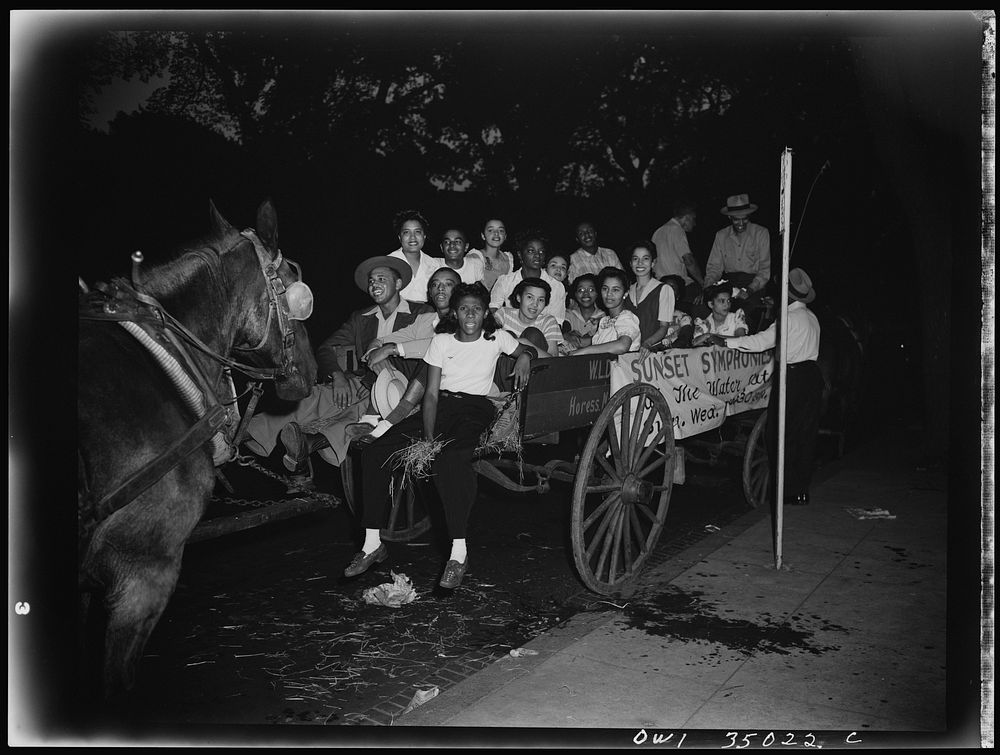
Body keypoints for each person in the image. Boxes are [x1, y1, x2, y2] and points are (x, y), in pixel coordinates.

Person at [344, 282, 537, 589]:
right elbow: (431, 395)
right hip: (442, 405)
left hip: (476, 408)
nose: (470, 315)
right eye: (464, 309)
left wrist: (524, 355)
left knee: (452, 460)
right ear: (456, 314)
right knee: (374, 451)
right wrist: (429, 437)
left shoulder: (496, 337)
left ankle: (458, 554)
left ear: (486, 312)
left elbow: (524, 347)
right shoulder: (442, 342)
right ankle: (371, 544)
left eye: (476, 308)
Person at [243, 256, 431, 473]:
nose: (374, 284)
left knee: (356, 415)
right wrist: (337, 376)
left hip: (398, 390)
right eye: (371, 281)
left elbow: (431, 353)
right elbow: (326, 348)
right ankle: (242, 432)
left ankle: (307, 443)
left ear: (398, 284)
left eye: (381, 278)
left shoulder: (421, 313)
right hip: (360, 380)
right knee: (313, 398)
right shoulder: (361, 318)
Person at [707, 268, 822, 506]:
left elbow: (760, 342)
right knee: (804, 435)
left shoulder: (789, 318)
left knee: (779, 433)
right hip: (812, 376)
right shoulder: (812, 317)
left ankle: (783, 489)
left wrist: (725, 341)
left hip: (792, 377)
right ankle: (800, 490)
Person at [704, 193, 771, 327]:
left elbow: (764, 270)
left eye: (744, 219)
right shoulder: (721, 235)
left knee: (744, 315)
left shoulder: (761, 233)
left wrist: (750, 290)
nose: (741, 223)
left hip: (753, 285)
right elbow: (714, 268)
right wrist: (708, 289)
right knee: (706, 310)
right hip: (729, 283)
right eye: (736, 219)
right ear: (729, 217)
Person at [558, 267, 639, 357]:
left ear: (625, 293)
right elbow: (585, 342)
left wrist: (583, 351)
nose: (609, 294)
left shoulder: (627, 317)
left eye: (615, 290)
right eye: (605, 289)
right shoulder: (605, 320)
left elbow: (622, 346)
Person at [489, 232, 567, 325]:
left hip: (542, 334)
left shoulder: (556, 286)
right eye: (531, 251)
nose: (537, 255)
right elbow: (493, 310)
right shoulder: (505, 281)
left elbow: (557, 322)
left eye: (541, 251)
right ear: (520, 255)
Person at [624, 240, 676, 362]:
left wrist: (647, 344)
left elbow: (663, 327)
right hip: (629, 355)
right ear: (630, 263)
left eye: (645, 258)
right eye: (635, 259)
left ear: (653, 263)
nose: (640, 263)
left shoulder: (664, 290)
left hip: (654, 353)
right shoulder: (626, 291)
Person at [492, 277, 562, 357]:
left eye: (541, 300)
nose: (535, 304)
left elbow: (553, 359)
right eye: (529, 297)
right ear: (519, 298)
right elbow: (488, 342)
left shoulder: (548, 321)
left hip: (535, 367)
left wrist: (526, 344)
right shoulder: (504, 313)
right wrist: (517, 344)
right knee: (507, 334)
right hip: (505, 366)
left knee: (533, 334)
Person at [651, 201, 705, 303]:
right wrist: (703, 283)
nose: (694, 223)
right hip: (677, 285)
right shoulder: (677, 230)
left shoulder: (658, 231)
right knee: (704, 297)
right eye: (693, 219)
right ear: (687, 217)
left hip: (658, 284)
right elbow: (689, 260)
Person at [388, 209, 445, 304]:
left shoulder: (434, 265)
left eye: (417, 232)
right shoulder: (389, 262)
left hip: (427, 315)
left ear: (424, 236)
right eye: (406, 232)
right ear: (400, 237)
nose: (412, 237)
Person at [466, 218, 514, 292]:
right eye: (490, 230)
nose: (496, 233)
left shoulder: (508, 259)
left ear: (505, 236)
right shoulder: (474, 258)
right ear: (483, 236)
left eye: (501, 230)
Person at [562, 273, 602, 344]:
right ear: (575, 294)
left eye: (591, 290)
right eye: (581, 290)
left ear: (597, 293)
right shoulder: (568, 314)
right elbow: (565, 329)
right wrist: (566, 335)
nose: (586, 293)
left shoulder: (603, 317)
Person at [659, 275, 695, 348]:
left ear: (678, 295)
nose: (667, 291)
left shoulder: (684, 318)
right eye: (665, 287)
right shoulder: (649, 316)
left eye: (672, 288)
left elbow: (684, 339)